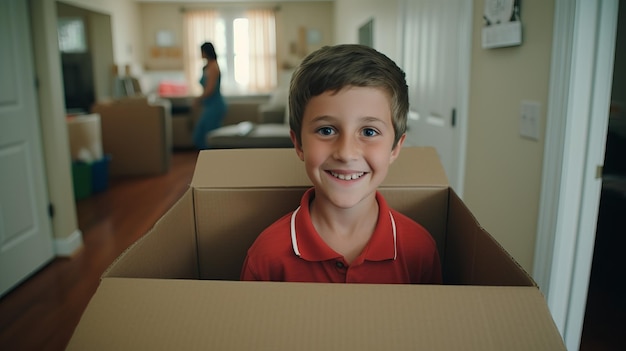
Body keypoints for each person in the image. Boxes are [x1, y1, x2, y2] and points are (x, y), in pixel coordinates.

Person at [240, 44, 442, 284]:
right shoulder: (267, 256)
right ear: (299, 144)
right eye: (326, 130)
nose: (346, 153)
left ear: (395, 147)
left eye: (369, 131)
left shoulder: (419, 249)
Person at [193, 42, 227, 149]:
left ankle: (211, 160)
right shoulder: (207, 67)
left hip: (215, 106)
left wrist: (198, 99)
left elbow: (210, 90)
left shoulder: (213, 67)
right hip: (209, 106)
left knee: (207, 137)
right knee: (200, 134)